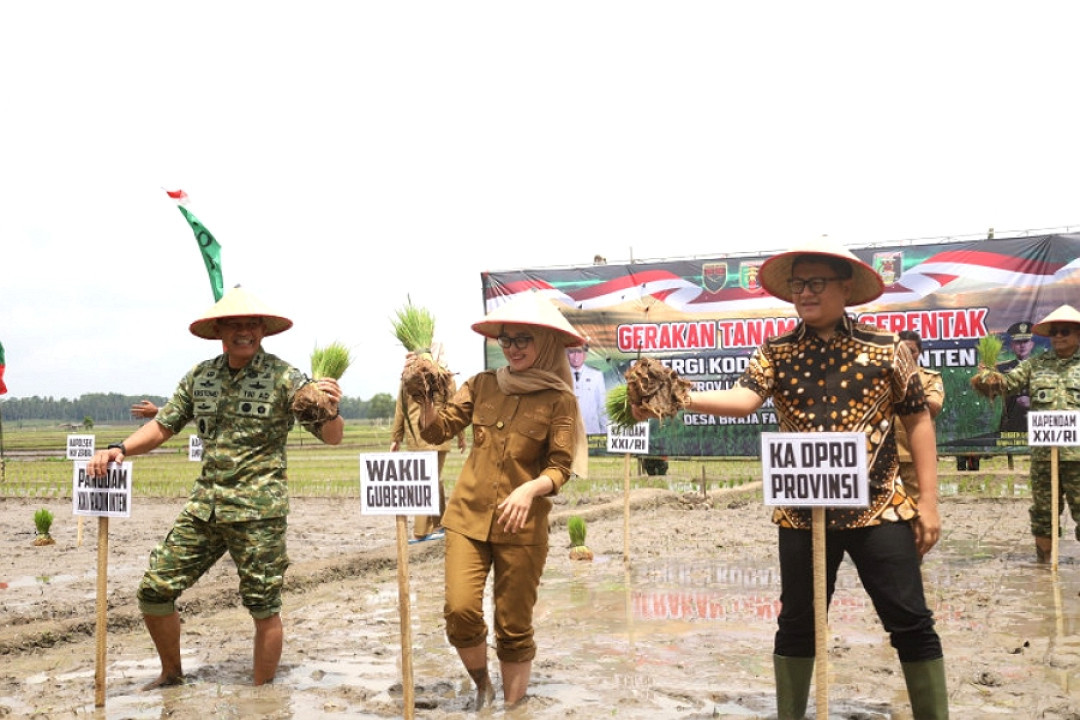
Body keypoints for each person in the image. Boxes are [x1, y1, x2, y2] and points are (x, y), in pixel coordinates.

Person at [632, 238, 947, 719]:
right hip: (802, 513)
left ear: (845, 289)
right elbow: (743, 399)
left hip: (880, 507)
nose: (805, 293)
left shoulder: (886, 350)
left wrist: (929, 503)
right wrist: (677, 395)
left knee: (909, 620)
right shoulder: (776, 352)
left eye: (816, 283)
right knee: (797, 623)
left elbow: (918, 420)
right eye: (798, 285)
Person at [85, 286, 344, 688]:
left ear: (263, 330)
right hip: (206, 506)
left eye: (252, 323)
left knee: (263, 605)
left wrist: (331, 406)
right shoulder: (199, 377)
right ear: (220, 330)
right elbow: (163, 424)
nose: (245, 331)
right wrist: (120, 448)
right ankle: (171, 674)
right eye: (235, 324)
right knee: (155, 590)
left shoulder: (286, 377)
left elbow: (332, 437)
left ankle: (261, 697)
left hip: (259, 513)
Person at [405, 291, 588, 708]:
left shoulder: (559, 399)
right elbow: (437, 431)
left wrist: (530, 488)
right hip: (467, 517)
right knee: (460, 610)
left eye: (523, 339)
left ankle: (510, 708)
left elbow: (560, 466)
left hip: (521, 528)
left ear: (545, 343)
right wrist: (425, 393)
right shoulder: (483, 385)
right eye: (506, 339)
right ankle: (483, 685)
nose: (513, 348)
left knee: (514, 625)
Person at [971, 305, 1080, 563]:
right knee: (1043, 514)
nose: (1058, 337)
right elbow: (1007, 384)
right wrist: (988, 377)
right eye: (1054, 332)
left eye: (1064, 331)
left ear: (1078, 334)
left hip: (1079, 459)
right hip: (1044, 458)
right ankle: (1045, 567)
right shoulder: (1035, 365)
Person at [390, 342, 466, 541]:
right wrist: (461, 436)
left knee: (427, 479)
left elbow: (455, 409)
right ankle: (435, 526)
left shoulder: (411, 376)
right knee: (429, 479)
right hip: (434, 436)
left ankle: (425, 529)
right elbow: (455, 409)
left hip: (426, 436)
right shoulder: (443, 378)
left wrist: (396, 437)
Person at [895, 330, 944, 501]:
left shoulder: (930, 378)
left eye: (912, 351)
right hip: (885, 454)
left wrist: (906, 390)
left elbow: (934, 408)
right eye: (902, 350)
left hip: (916, 454)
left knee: (919, 506)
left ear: (920, 352)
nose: (907, 355)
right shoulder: (881, 377)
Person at [998, 321, 1035, 435]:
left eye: (1025, 341)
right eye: (1018, 342)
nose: (1022, 345)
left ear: (1031, 344)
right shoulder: (1000, 368)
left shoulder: (1042, 367)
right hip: (1011, 421)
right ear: (1012, 346)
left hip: (1035, 422)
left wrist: (1032, 402)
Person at [566, 344, 608, 434]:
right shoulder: (560, 376)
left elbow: (602, 406)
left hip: (591, 432)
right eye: (572, 352)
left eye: (579, 352)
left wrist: (606, 432)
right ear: (567, 354)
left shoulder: (596, 375)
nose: (575, 356)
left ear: (585, 355)